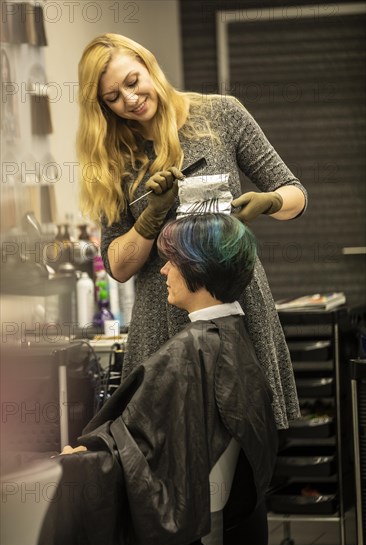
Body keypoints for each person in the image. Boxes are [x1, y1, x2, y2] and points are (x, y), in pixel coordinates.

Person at [77, 33, 307, 431]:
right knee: (169, 452)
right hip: (162, 314)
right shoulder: (113, 156)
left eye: (132, 82)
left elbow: (296, 194)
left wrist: (268, 202)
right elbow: (117, 266)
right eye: (113, 97)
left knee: (245, 443)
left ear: (148, 64)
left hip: (235, 302)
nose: (129, 100)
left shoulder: (222, 113)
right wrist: (152, 217)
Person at [50, 213, 278, 545]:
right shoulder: (235, 337)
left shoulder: (191, 350)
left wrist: (82, 460)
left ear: (197, 267)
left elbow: (137, 448)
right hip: (222, 512)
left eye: (171, 261)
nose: (163, 271)